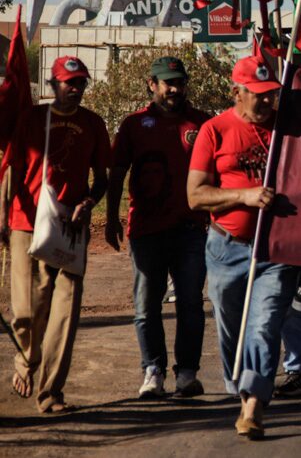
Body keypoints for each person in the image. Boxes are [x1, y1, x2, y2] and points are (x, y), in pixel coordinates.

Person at [187, 56, 296, 439]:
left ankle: (252, 404)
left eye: (272, 95)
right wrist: (244, 196)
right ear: (237, 91)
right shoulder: (213, 130)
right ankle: (241, 387)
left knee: (264, 324)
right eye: (258, 95)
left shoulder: (288, 131)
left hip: (275, 249)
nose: (266, 103)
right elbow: (195, 196)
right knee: (231, 327)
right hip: (225, 248)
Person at [0, 56, 110, 413]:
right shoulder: (32, 119)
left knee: (65, 312)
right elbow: (13, 168)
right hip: (26, 224)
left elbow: (103, 178)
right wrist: (2, 216)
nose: (75, 89)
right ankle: (25, 361)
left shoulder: (94, 124)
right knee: (26, 310)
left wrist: (90, 201)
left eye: (80, 83)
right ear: (53, 84)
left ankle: (50, 393)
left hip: (70, 227)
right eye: (68, 82)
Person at [106, 56, 211, 399]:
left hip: (191, 229)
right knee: (146, 305)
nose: (174, 89)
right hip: (147, 230)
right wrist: (110, 217)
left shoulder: (202, 124)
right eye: (167, 82)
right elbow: (117, 174)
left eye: (179, 82)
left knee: (191, 304)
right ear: (152, 84)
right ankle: (153, 371)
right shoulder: (134, 125)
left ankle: (187, 373)